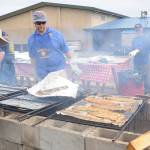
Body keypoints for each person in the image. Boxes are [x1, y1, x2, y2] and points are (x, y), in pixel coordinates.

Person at [28, 11, 72, 81]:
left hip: (58, 72)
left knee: (62, 91)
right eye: (38, 23)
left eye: (43, 22)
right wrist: (34, 73)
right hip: (42, 74)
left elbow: (67, 52)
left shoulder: (57, 34)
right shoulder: (31, 39)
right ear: (34, 23)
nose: (41, 25)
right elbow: (32, 58)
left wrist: (72, 62)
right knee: (44, 92)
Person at [130, 23, 150, 92]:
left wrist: (138, 50)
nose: (138, 30)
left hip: (144, 61)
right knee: (137, 77)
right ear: (135, 30)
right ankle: (139, 91)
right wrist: (132, 53)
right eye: (136, 29)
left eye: (139, 28)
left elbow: (145, 47)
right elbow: (132, 49)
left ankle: (147, 92)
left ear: (142, 29)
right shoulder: (134, 39)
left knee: (145, 77)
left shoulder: (146, 38)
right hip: (136, 61)